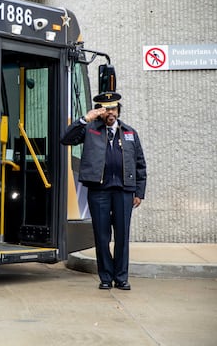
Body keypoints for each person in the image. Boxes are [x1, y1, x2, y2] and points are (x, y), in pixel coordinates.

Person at [61, 91, 146, 290]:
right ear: (99, 111)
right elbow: (66, 138)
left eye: (114, 109)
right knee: (101, 235)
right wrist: (84, 119)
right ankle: (106, 277)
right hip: (99, 191)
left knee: (122, 236)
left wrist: (139, 192)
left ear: (118, 110)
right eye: (106, 109)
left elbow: (140, 164)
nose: (111, 113)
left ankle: (122, 278)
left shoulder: (130, 133)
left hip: (124, 191)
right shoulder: (90, 129)